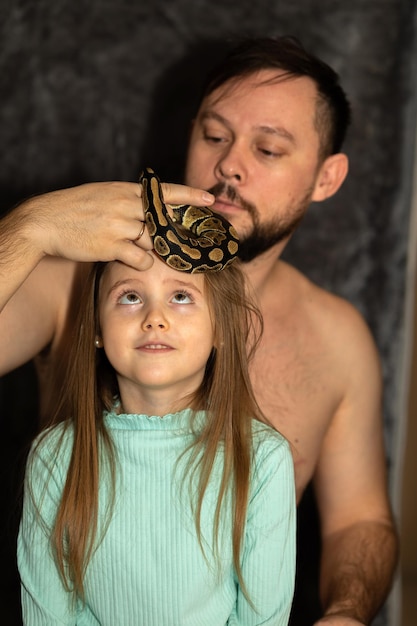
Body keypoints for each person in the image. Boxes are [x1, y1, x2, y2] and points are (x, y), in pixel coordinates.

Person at [0, 36, 398, 625]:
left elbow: (360, 520)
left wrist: (346, 610)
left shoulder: (338, 339)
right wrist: (29, 229)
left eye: (268, 148)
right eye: (214, 136)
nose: (228, 165)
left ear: (326, 176)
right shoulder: (75, 282)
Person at [18, 231, 296, 624]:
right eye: (130, 296)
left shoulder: (263, 459)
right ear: (97, 327)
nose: (155, 319)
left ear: (220, 327)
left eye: (181, 296)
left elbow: (261, 617)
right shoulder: (54, 457)